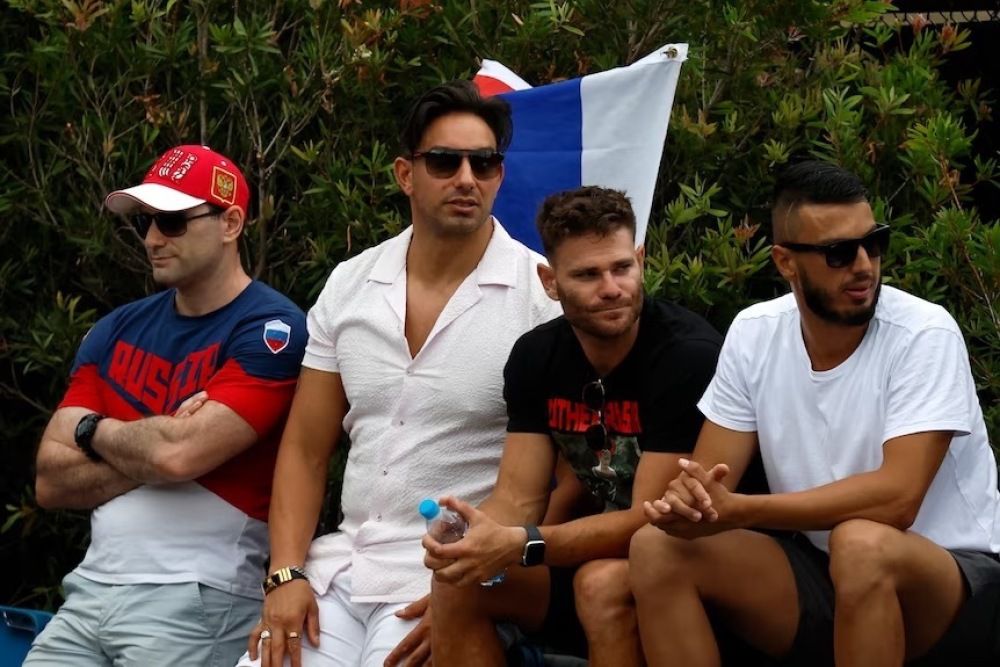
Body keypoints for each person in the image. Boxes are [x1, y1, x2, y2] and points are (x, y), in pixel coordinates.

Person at [238, 80, 560, 667]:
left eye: (484, 163)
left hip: (452, 575)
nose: (466, 178)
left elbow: (561, 477)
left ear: (499, 176)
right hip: (341, 567)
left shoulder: (540, 297)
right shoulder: (350, 282)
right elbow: (307, 449)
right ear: (405, 174)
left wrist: (472, 594)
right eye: (444, 160)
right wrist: (284, 572)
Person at [629, 160, 1000, 667]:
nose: (864, 265)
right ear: (785, 262)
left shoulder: (923, 333)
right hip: (824, 568)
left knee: (861, 543)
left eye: (874, 243)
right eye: (839, 253)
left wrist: (741, 509)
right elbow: (712, 480)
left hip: (955, 584)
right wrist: (690, 502)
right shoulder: (755, 332)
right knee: (655, 549)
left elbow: (898, 500)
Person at [423, 186, 763, 666]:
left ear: (640, 260)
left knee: (600, 583)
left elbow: (651, 521)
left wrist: (521, 543)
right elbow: (518, 497)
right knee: (460, 581)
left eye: (622, 267)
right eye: (587, 275)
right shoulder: (536, 357)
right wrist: (475, 542)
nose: (611, 288)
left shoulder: (686, 356)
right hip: (593, 548)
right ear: (550, 281)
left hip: (692, 558)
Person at [27, 145, 307, 667]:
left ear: (231, 223)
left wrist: (91, 431)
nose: (154, 238)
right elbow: (49, 480)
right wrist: (155, 447)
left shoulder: (274, 329)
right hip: (87, 591)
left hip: (198, 593)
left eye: (173, 221)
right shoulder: (116, 327)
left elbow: (177, 457)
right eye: (147, 223)